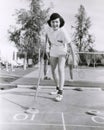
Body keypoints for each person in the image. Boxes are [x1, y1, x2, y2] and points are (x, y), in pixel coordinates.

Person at [45, 13, 77, 101]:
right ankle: (57, 88)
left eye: (57, 22)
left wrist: (74, 59)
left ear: (60, 22)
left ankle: (60, 92)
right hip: (53, 49)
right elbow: (46, 37)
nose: (55, 24)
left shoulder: (63, 31)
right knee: (53, 71)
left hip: (62, 49)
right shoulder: (48, 29)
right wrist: (46, 48)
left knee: (60, 69)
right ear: (50, 22)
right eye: (53, 22)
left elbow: (71, 45)